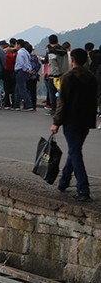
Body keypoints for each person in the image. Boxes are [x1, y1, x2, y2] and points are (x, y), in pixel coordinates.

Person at [51, 48, 99, 202]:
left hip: (71, 120)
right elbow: (94, 100)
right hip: (85, 120)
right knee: (75, 150)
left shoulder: (68, 77)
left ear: (72, 60)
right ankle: (63, 181)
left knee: (75, 152)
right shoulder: (91, 78)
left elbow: (62, 102)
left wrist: (56, 122)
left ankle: (83, 189)